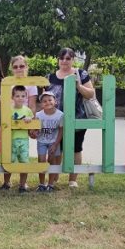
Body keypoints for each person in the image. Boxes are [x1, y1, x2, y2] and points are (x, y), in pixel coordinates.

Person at [46, 47, 95, 188]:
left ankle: (73, 180)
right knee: (56, 149)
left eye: (68, 58)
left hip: (77, 118)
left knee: (76, 149)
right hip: (55, 120)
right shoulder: (50, 77)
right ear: (58, 60)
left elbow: (91, 94)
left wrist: (78, 86)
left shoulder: (81, 74)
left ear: (73, 59)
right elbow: (44, 98)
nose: (64, 61)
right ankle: (53, 178)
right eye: (61, 58)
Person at [0, 85, 33, 193]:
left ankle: (22, 185)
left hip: (23, 140)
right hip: (10, 140)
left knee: (24, 162)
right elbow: (4, 124)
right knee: (9, 162)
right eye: (17, 96)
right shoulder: (8, 110)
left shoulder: (27, 111)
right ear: (12, 97)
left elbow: (32, 121)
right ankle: (6, 182)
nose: (20, 98)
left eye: (23, 96)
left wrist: (29, 119)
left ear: (26, 97)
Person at [33, 91, 63, 192]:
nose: (47, 102)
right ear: (41, 104)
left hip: (54, 141)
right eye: (44, 101)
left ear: (55, 101)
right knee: (41, 161)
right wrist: (35, 133)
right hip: (42, 141)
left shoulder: (60, 115)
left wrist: (55, 144)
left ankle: (50, 184)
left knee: (52, 160)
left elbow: (61, 130)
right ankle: (41, 184)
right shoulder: (38, 115)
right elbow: (36, 129)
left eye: (50, 100)